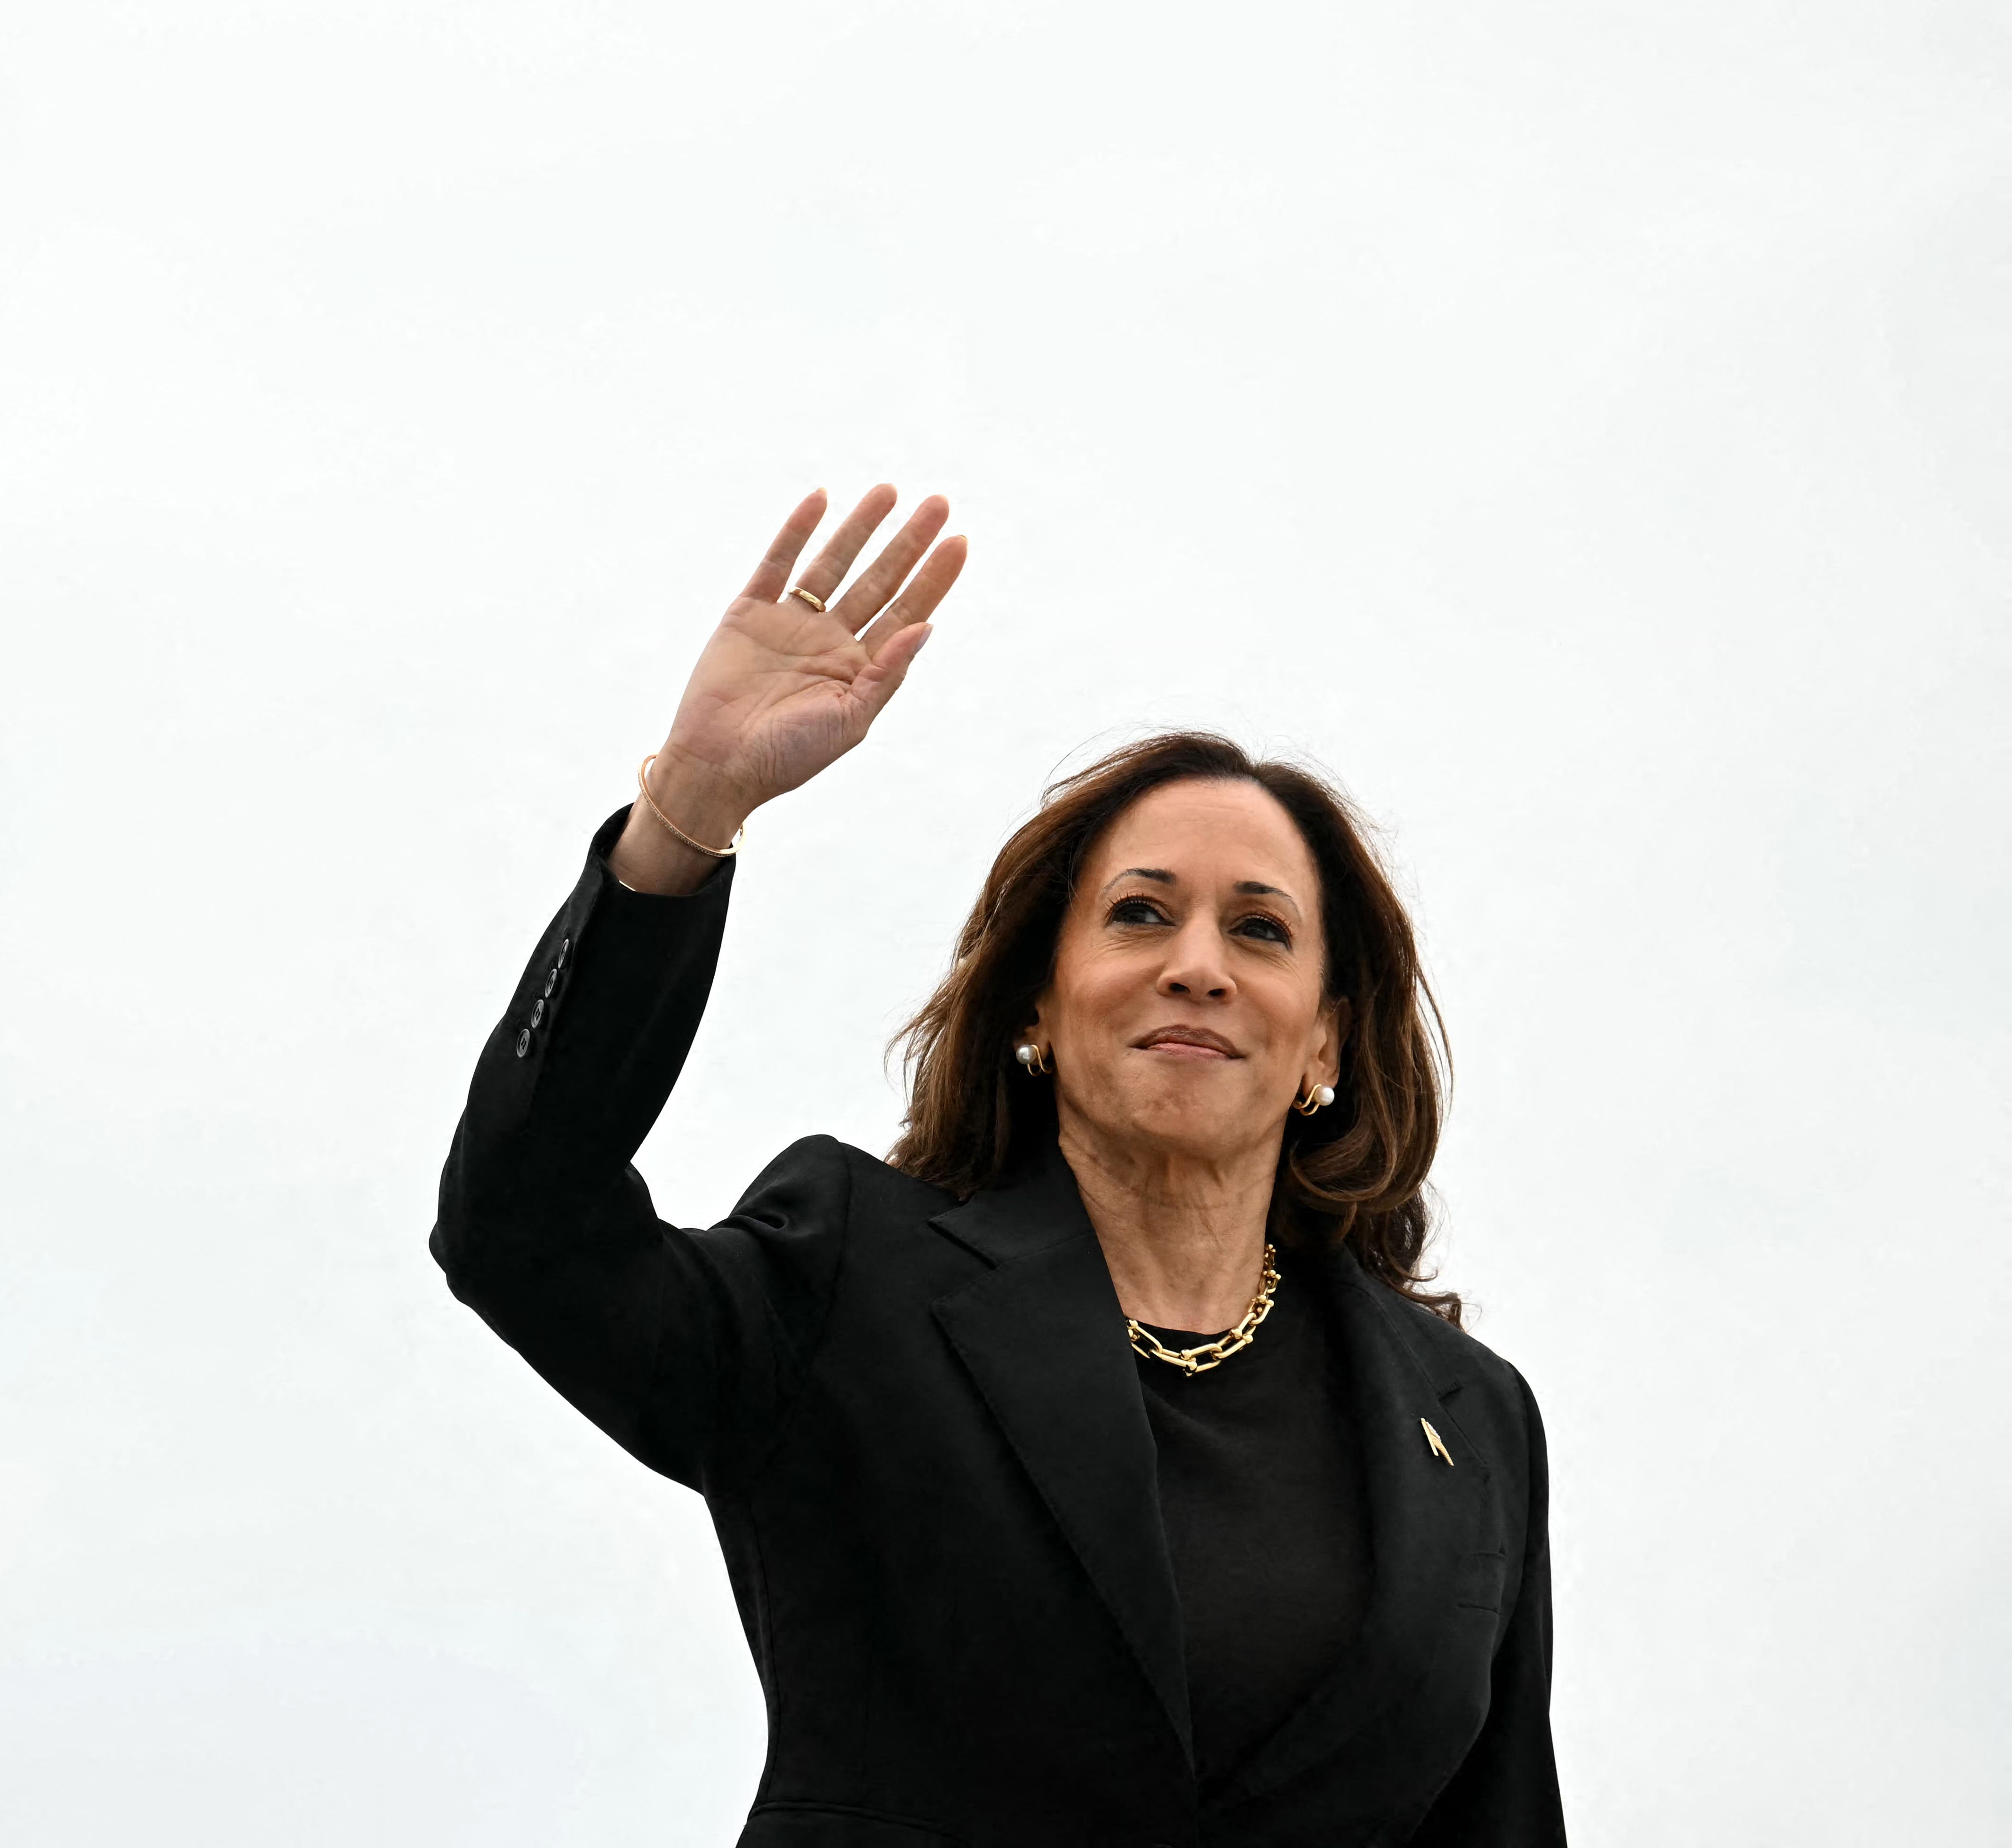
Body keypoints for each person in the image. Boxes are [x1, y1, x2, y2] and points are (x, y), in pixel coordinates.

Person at [432, 485, 1561, 1847]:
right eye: (1140, 915)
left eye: (1261, 931)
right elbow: (524, 1229)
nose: (1198, 965)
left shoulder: (1473, 1421)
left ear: (1325, 1038)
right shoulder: (854, 1276)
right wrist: (686, 815)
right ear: (1038, 1003)